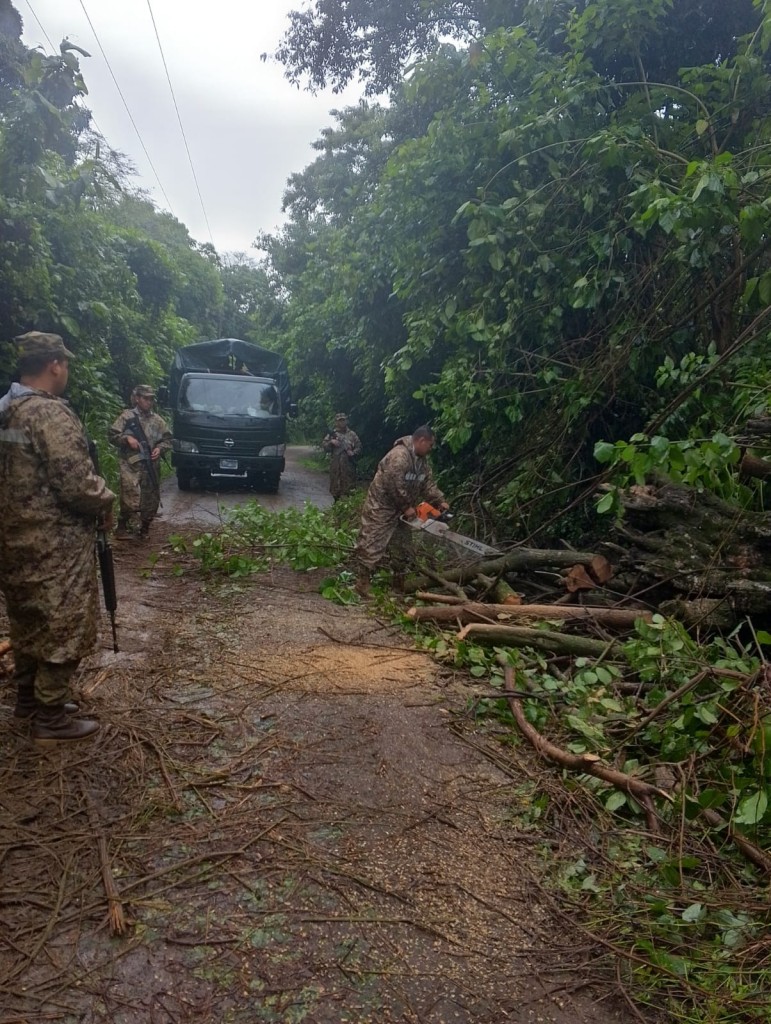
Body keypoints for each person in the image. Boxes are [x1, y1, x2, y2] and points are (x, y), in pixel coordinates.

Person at [0, 332, 115, 744]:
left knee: (29, 618)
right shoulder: (49, 415)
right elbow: (76, 485)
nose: (65, 370)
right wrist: (106, 497)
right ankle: (50, 716)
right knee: (63, 622)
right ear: (54, 365)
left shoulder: (8, 410)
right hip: (54, 543)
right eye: (64, 364)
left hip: (15, 540)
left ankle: (29, 700)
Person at [354, 424, 448, 592]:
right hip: (382, 506)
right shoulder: (399, 456)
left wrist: (439, 500)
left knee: (402, 546)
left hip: (403, 509)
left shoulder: (421, 462)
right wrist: (406, 506)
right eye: (430, 444)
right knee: (372, 542)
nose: (431, 449)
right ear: (421, 440)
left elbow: (427, 483)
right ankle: (363, 583)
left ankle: (398, 584)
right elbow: (394, 485)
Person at [110, 385, 171, 539]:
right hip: (130, 465)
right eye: (145, 398)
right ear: (137, 398)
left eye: (151, 399)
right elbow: (112, 435)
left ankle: (144, 528)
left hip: (150, 465)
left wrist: (160, 448)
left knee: (150, 498)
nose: (149, 402)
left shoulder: (157, 420)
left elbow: (168, 440)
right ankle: (123, 526)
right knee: (130, 497)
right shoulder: (127, 417)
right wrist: (127, 439)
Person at [322, 413, 362, 501]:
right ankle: (336, 505)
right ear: (336, 422)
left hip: (349, 468)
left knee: (350, 490)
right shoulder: (332, 435)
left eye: (343, 420)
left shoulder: (352, 434)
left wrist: (353, 452)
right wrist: (331, 442)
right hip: (336, 467)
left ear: (346, 421)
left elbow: (359, 447)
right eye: (340, 420)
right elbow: (325, 446)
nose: (342, 422)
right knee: (335, 490)